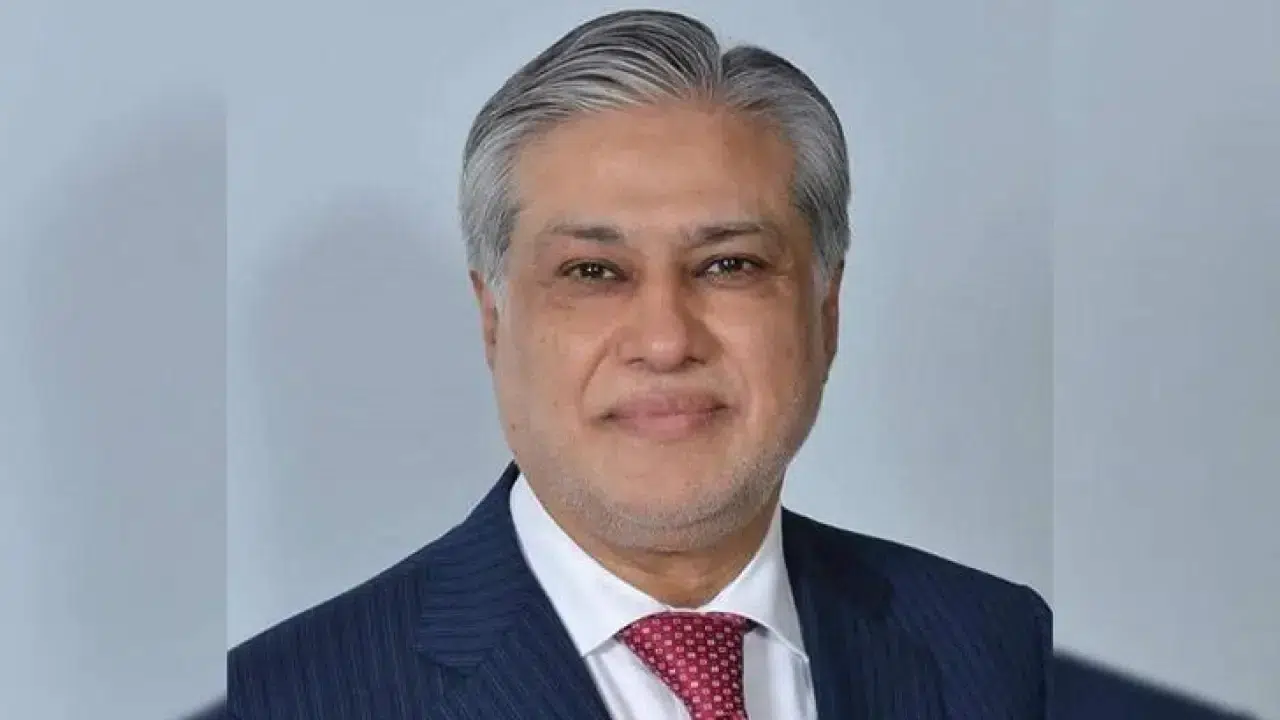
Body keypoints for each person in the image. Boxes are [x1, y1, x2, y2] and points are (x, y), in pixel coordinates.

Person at [228, 9, 1050, 719]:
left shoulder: (1003, 649)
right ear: (493, 318)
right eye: (593, 272)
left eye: (729, 265)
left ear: (825, 311)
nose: (664, 341)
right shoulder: (288, 696)